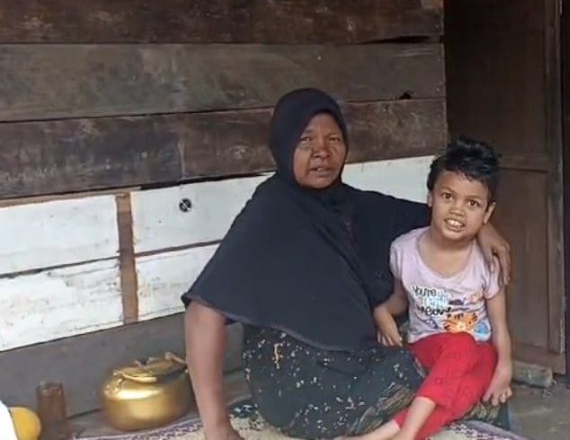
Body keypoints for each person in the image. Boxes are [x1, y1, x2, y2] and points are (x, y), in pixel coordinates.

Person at [181, 88, 513, 440]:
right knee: (466, 373)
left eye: (333, 139)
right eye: (306, 141)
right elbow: (203, 312)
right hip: (301, 387)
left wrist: (485, 229)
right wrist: (217, 428)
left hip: (355, 367)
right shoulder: (270, 212)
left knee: (465, 360)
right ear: (283, 144)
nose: (322, 152)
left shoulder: (354, 205)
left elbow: (441, 216)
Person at [349, 137, 512, 440]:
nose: (457, 210)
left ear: (487, 214)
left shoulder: (486, 262)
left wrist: (505, 369)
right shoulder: (404, 250)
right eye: (448, 196)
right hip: (427, 349)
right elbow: (400, 299)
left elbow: (499, 328)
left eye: (472, 203)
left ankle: (379, 437)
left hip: (478, 353)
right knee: (460, 344)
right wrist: (382, 311)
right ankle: (407, 434)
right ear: (430, 198)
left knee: (464, 390)